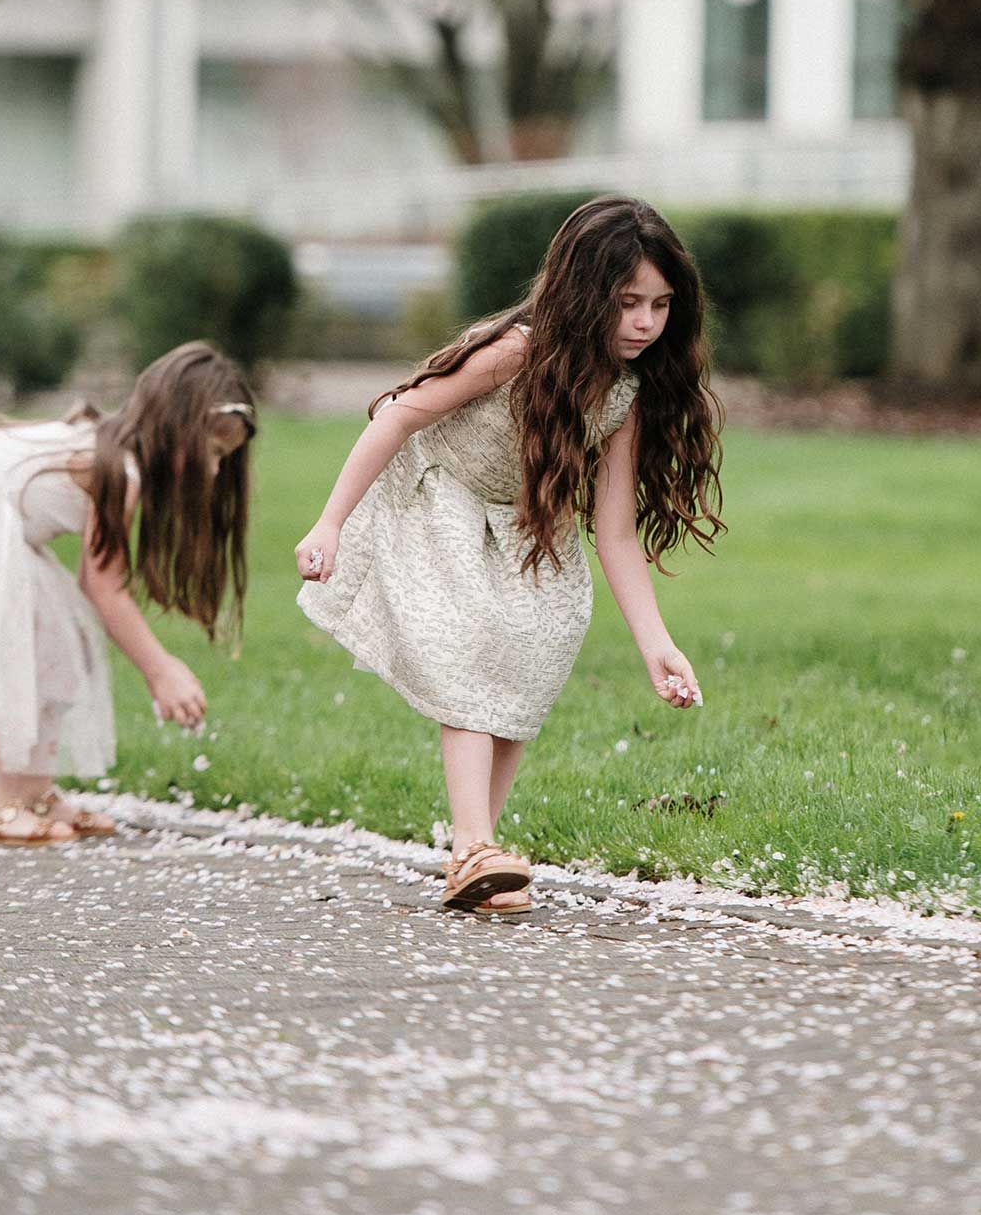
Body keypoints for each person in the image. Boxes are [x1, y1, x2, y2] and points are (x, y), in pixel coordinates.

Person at [296, 197, 723, 913]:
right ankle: (472, 845)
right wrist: (330, 523)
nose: (646, 323)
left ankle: (480, 854)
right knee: (469, 643)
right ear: (585, 295)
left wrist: (658, 645)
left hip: (529, 521)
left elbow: (614, 533)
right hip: (443, 496)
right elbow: (401, 413)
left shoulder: (627, 394)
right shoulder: (517, 351)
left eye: (660, 304)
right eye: (627, 303)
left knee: (540, 641)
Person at [0, 340, 256, 845]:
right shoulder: (119, 469)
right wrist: (159, 669)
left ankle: (30, 789)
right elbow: (104, 585)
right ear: (176, 423)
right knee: (26, 644)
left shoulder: (112, 450)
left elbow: (92, 581)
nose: (213, 471)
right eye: (210, 452)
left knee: (58, 642)